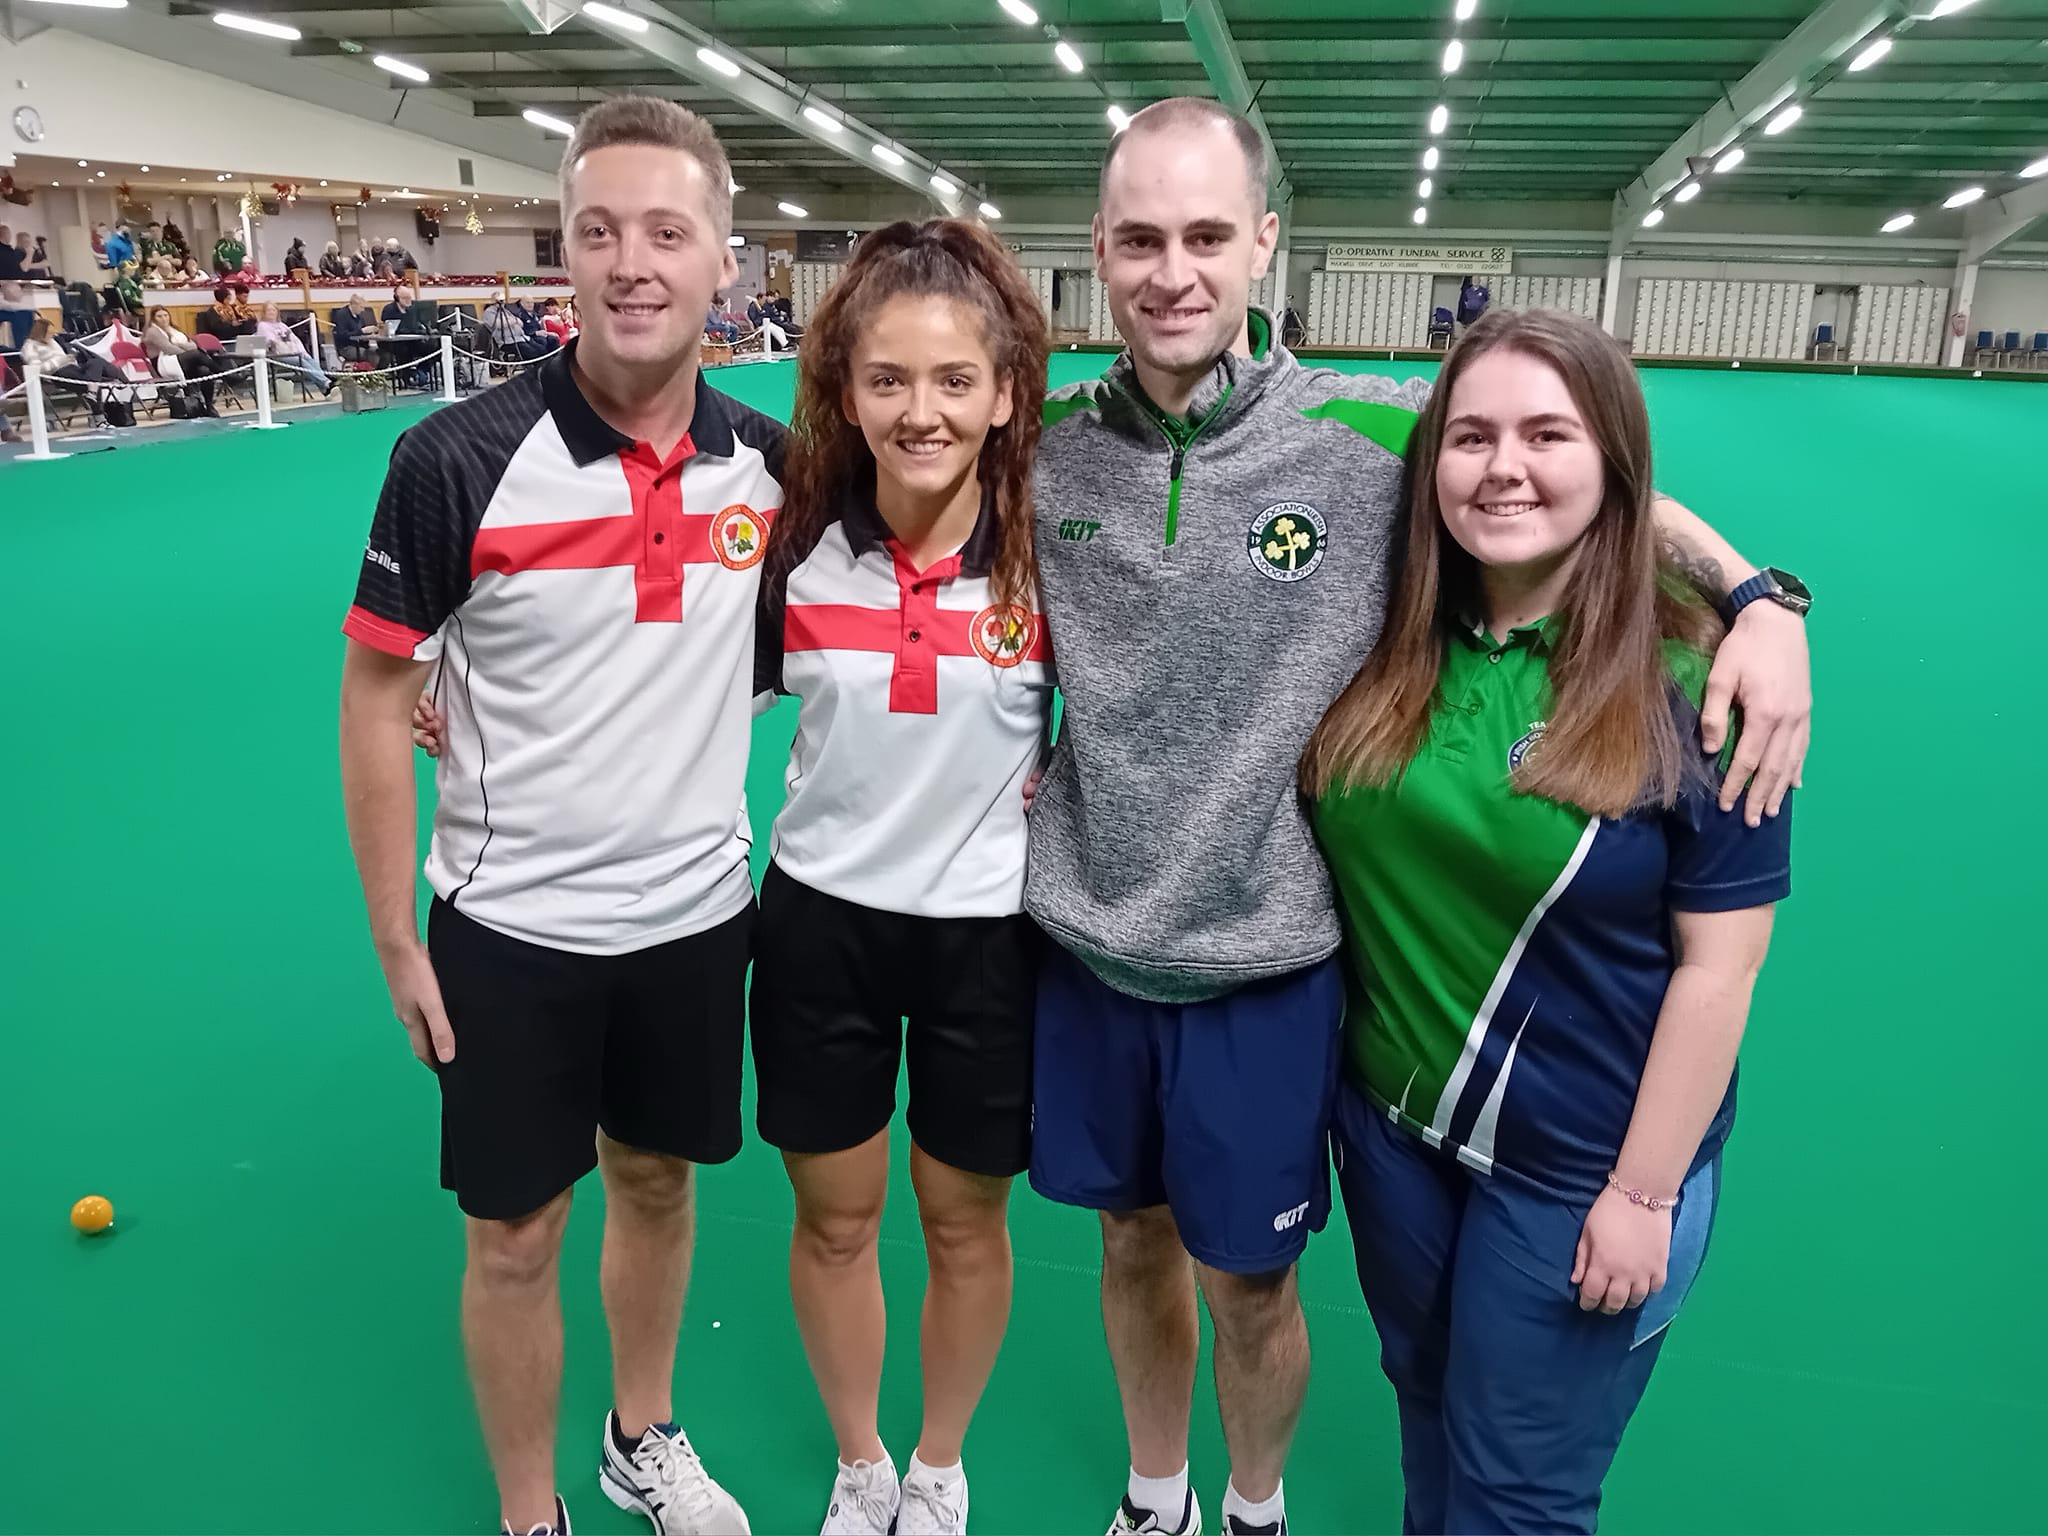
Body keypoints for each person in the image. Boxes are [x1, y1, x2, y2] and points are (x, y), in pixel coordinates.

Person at [1023, 98, 1812, 1536]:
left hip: (1265, 965)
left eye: (1208, 235)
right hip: (1082, 947)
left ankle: (1252, 1509)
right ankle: (1158, 1499)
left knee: (1252, 1286)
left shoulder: (1366, 432)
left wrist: (1762, 599)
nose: (1172, 271)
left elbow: (1575, 484)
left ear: (1264, 243)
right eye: (1140, 239)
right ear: (1098, 250)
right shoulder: (1050, 454)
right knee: (1133, 1246)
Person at [338, 94, 772, 1536]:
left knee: (657, 1185)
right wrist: (400, 937)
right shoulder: (454, 460)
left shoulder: (774, 470)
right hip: (510, 928)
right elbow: (374, 691)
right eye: (597, 232)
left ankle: (640, 1438)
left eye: (667, 231)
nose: (631, 262)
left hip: (700, 921)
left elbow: (825, 639)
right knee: (515, 1233)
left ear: (728, 261)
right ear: (564, 258)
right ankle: (534, 1513)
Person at [1303, 308, 1793, 1534]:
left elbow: (1719, 971)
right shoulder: (1389, 626)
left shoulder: (1702, 686)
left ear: (1614, 461)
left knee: (1519, 1490)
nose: (1501, 466)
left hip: (1582, 1171)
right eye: (1469, 437)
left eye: (1546, 434)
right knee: (1424, 1408)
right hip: (1392, 1136)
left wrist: (1642, 1194)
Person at [747, 218, 1051, 1536]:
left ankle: (938, 1464)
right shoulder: (788, 539)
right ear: (843, 388)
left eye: (951, 382)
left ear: (1001, 393)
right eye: (888, 381)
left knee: (965, 1225)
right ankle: (862, 1461)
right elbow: (650, 675)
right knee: (835, 1222)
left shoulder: (1058, 550)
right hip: (821, 928)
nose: (919, 412)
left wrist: (1753, 601)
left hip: (993, 939)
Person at [142, 304, 224, 414]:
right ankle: (224, 374)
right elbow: (169, 349)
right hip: (163, 364)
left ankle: (209, 407)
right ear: (153, 318)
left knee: (204, 371)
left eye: (166, 315)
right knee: (196, 354)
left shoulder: (174, 330)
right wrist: (188, 353)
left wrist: (184, 348)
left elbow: (193, 345)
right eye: (159, 316)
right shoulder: (153, 331)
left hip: (180, 361)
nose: (164, 319)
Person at [256, 301, 332, 395]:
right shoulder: (263, 325)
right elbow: (271, 341)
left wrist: (303, 352)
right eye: (269, 310)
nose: (271, 312)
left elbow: (295, 340)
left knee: (310, 360)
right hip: (276, 354)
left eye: (273, 310)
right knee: (300, 361)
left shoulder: (282, 325)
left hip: (290, 351)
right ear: (264, 312)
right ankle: (326, 383)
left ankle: (325, 387)